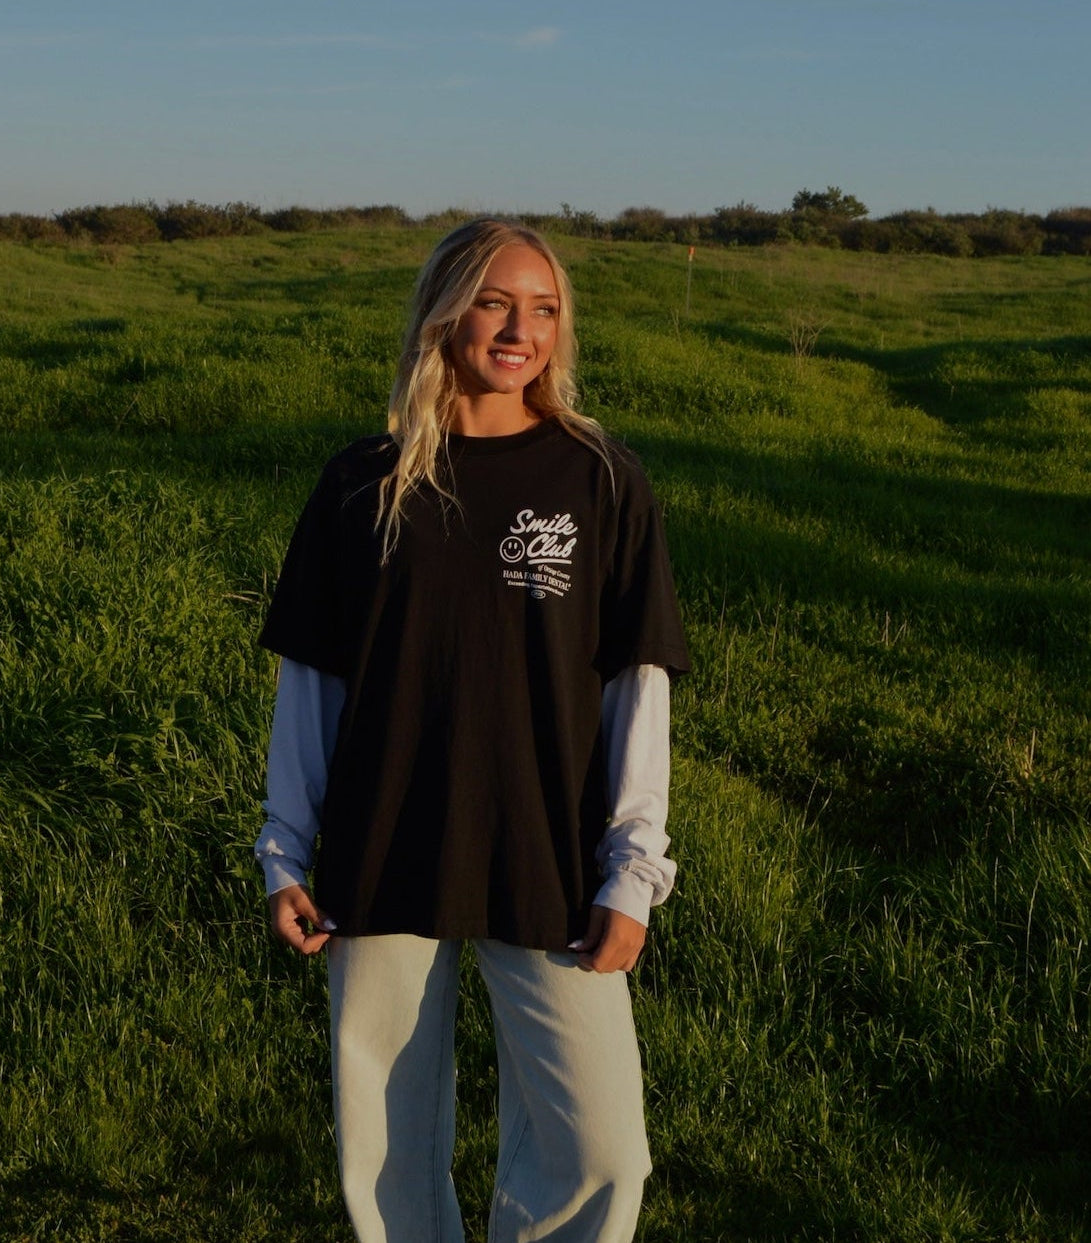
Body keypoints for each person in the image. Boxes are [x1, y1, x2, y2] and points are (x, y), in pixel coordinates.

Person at [255, 217, 690, 1243]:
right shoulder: (361, 483)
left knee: (603, 1152)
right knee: (387, 1151)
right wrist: (283, 848)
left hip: (547, 848)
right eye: (494, 303)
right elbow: (312, 684)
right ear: (444, 314)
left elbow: (636, 685)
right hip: (383, 838)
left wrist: (632, 872)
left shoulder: (598, 477)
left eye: (542, 308)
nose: (518, 330)